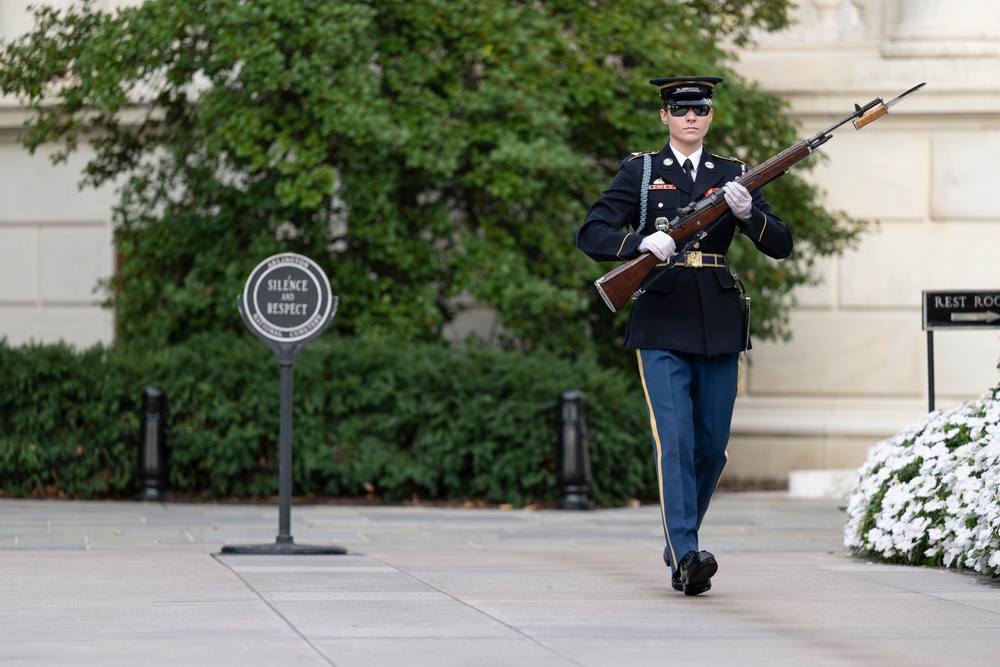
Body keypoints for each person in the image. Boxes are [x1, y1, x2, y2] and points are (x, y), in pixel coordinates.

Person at [576, 76, 793, 596]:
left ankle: (681, 541)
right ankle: (686, 553)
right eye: (680, 109)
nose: (691, 117)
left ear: (710, 116)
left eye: (699, 109)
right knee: (673, 439)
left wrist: (748, 214)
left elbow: (781, 243)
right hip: (662, 314)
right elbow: (592, 233)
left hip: (717, 317)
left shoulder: (735, 174)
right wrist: (637, 241)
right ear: (665, 116)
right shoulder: (643, 170)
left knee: (712, 448)